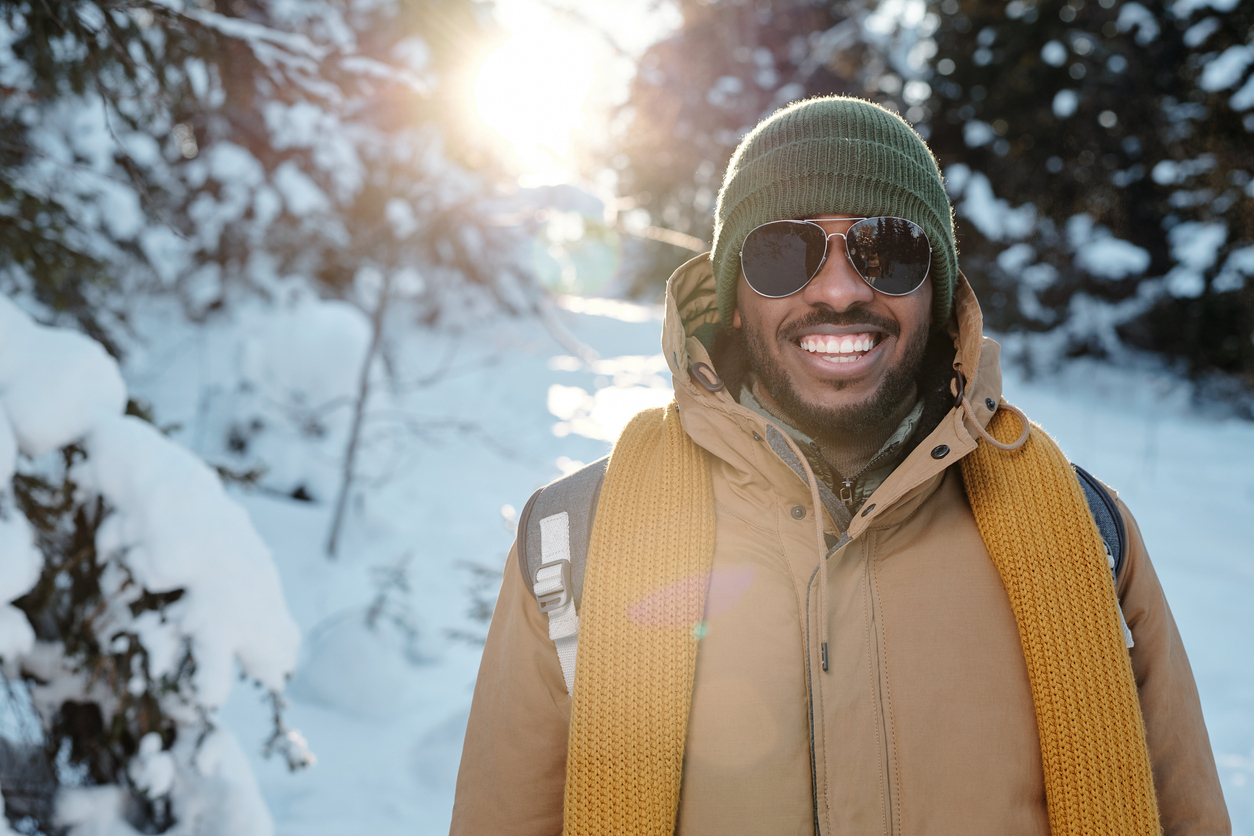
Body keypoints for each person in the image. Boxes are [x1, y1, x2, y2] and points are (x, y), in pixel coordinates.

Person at [450, 96, 1230, 836]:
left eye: (886, 250)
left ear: (939, 285)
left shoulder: (1088, 536)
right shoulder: (573, 541)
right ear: (729, 293)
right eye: (782, 251)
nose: (837, 288)